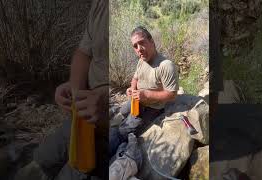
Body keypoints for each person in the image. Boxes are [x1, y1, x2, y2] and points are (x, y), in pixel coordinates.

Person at [14, 0, 108, 180]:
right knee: (37, 167)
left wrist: (106, 106)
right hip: (79, 123)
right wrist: (75, 90)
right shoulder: (101, 4)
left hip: (108, 137)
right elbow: (83, 53)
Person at [109, 26, 179, 169]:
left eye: (142, 43)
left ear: (151, 41)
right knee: (122, 111)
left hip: (152, 107)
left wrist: (147, 94)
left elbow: (171, 95)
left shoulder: (166, 66)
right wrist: (132, 89)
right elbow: (135, 78)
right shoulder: (142, 60)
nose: (139, 49)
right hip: (137, 100)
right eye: (135, 46)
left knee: (123, 131)